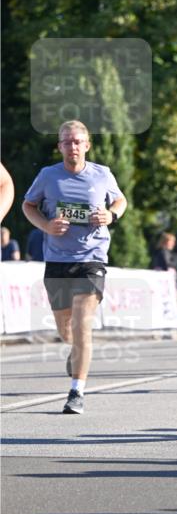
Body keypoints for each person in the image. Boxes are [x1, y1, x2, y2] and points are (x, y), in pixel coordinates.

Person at [22, 120, 126, 413]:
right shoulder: (48, 176)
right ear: (60, 147)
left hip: (92, 259)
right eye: (67, 142)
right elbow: (28, 206)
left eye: (78, 141)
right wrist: (46, 225)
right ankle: (74, 349)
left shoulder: (102, 174)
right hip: (57, 260)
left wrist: (111, 215)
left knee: (82, 325)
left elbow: (120, 200)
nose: (73, 147)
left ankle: (76, 391)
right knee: (66, 329)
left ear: (87, 145)